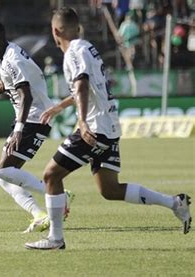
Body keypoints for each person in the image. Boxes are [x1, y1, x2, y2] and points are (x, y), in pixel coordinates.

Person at [25, 7, 191, 250]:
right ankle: (175, 203)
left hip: (94, 128)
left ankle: (56, 238)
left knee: (51, 176)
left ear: (55, 31)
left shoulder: (73, 52)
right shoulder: (88, 48)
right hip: (109, 127)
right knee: (109, 189)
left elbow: (81, 85)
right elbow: (88, 87)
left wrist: (81, 122)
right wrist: (59, 107)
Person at [0, 18, 74, 233]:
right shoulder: (5, 55)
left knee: (4, 172)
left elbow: (25, 94)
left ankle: (58, 195)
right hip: (29, 118)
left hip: (35, 119)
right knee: (3, 176)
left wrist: (19, 129)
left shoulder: (12, 58)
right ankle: (39, 214)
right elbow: (6, 83)